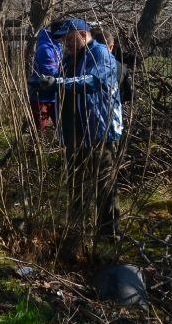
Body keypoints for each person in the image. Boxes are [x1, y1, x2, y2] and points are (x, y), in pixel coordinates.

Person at [34, 18, 124, 255]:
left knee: (103, 182)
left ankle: (109, 235)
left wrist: (60, 83)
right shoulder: (71, 58)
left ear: (84, 34)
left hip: (98, 129)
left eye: (70, 39)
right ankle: (76, 234)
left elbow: (93, 81)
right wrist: (44, 84)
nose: (66, 44)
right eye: (63, 40)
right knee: (77, 182)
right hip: (75, 130)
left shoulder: (100, 54)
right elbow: (60, 80)